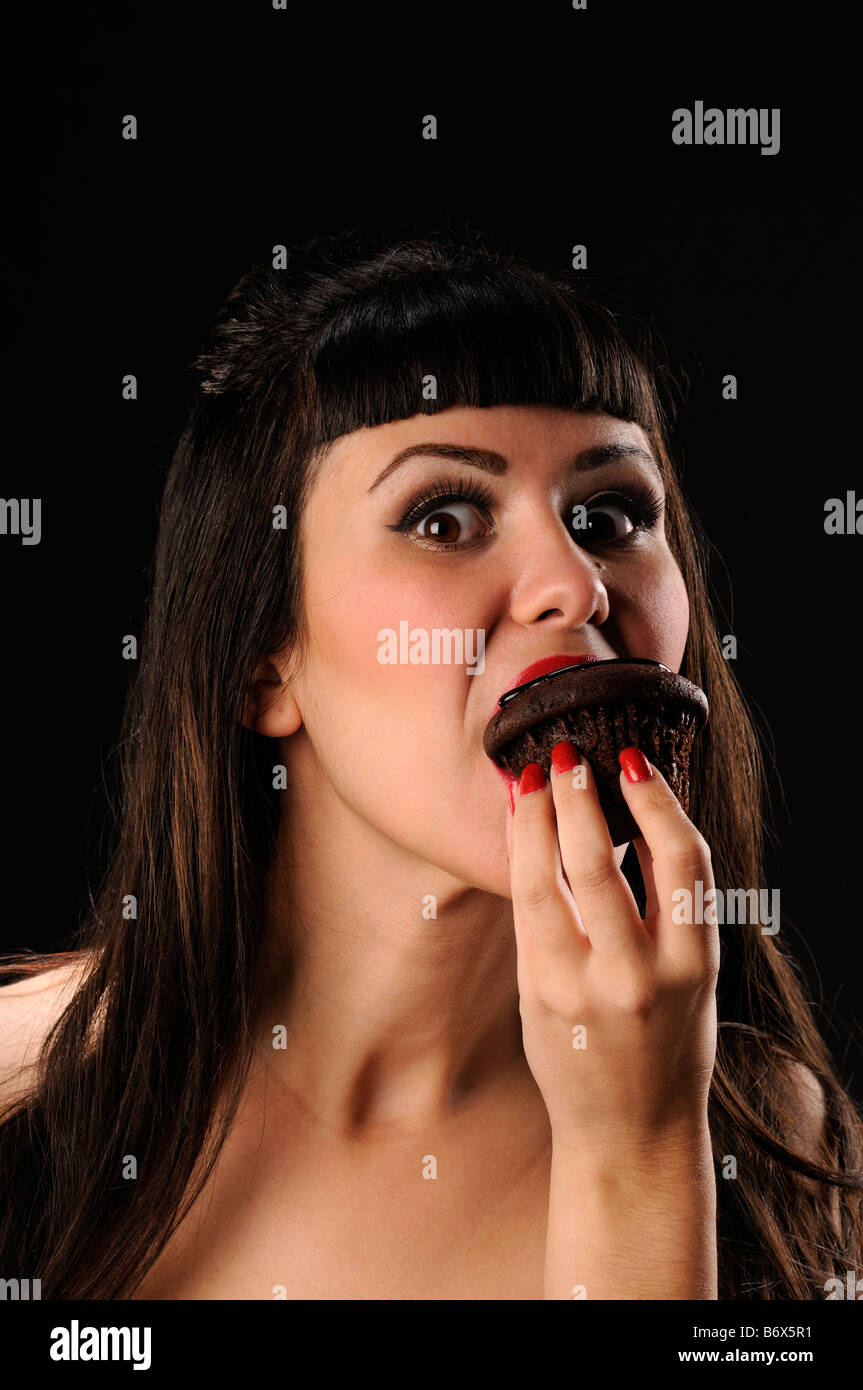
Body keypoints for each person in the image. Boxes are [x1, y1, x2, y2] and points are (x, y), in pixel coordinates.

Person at [1, 229, 861, 1299]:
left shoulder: (765, 1140)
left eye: (608, 514)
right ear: (262, 663)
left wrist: (637, 1158)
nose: (574, 585)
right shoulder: (22, 1097)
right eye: (443, 517)